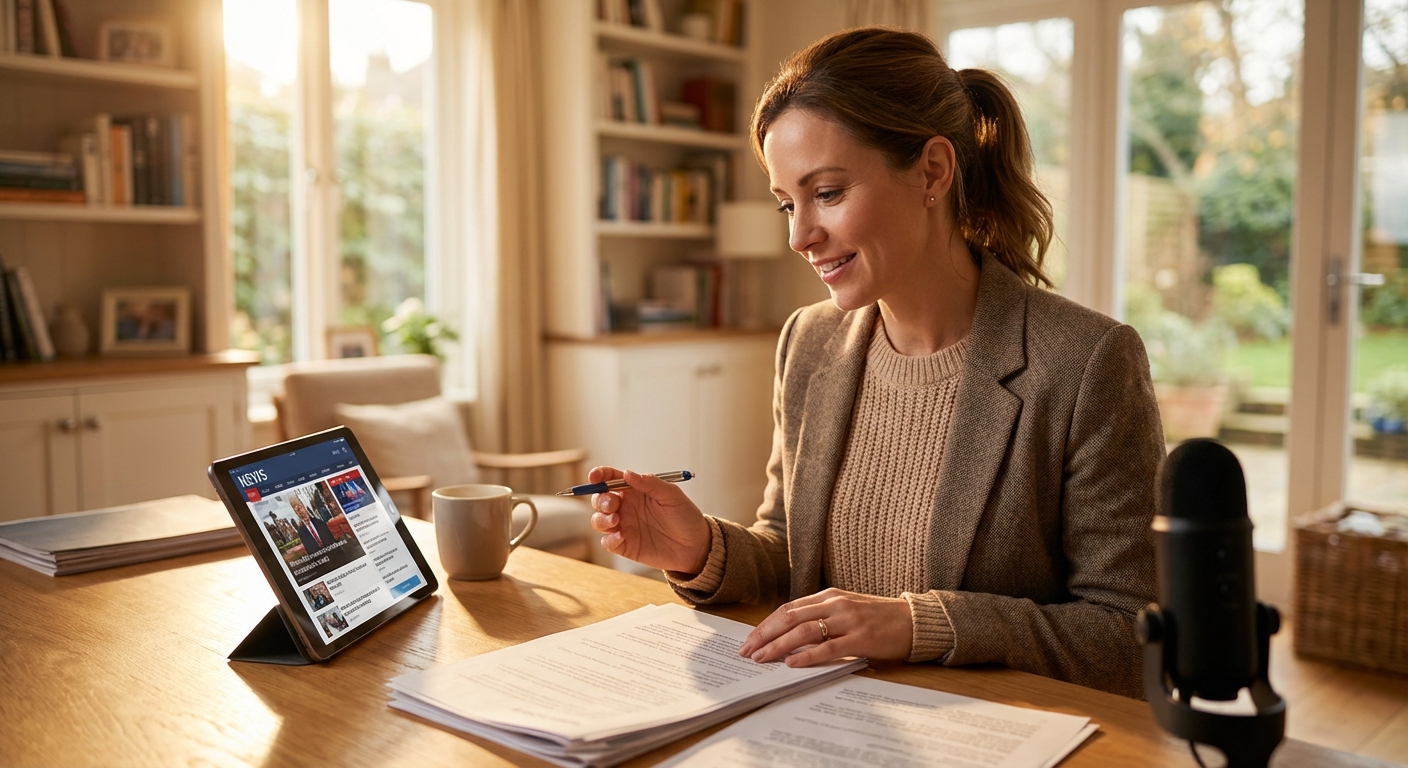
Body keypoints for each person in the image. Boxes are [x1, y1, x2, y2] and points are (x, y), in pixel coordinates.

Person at [588, 27, 1164, 698]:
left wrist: (923, 625)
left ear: (933, 172)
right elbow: (790, 554)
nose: (799, 236)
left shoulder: (1088, 363)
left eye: (828, 193)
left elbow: (1130, 637)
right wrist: (701, 550)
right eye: (787, 203)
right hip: (821, 720)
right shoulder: (809, 341)